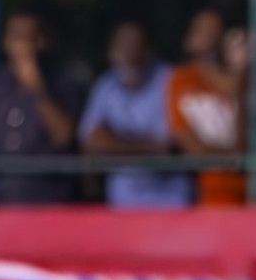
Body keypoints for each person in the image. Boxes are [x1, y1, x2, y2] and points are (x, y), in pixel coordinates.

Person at [78, 21, 191, 209]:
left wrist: (112, 141)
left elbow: (164, 147)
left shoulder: (171, 79)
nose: (125, 51)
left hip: (170, 201)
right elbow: (90, 143)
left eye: (132, 43)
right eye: (120, 44)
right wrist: (143, 145)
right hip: (123, 203)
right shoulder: (106, 84)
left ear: (147, 50)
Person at [0, 9, 84, 204]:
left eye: (27, 37)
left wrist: (36, 87)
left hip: (48, 200)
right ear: (5, 41)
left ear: (41, 41)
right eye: (15, 36)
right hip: (1, 200)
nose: (21, 45)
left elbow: (64, 136)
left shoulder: (62, 79)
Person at [167, 9, 248, 206]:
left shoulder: (249, 81)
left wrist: (241, 76)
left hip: (252, 195)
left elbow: (249, 143)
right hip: (204, 197)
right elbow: (190, 146)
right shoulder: (182, 81)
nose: (210, 40)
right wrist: (232, 158)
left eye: (216, 33)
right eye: (203, 31)